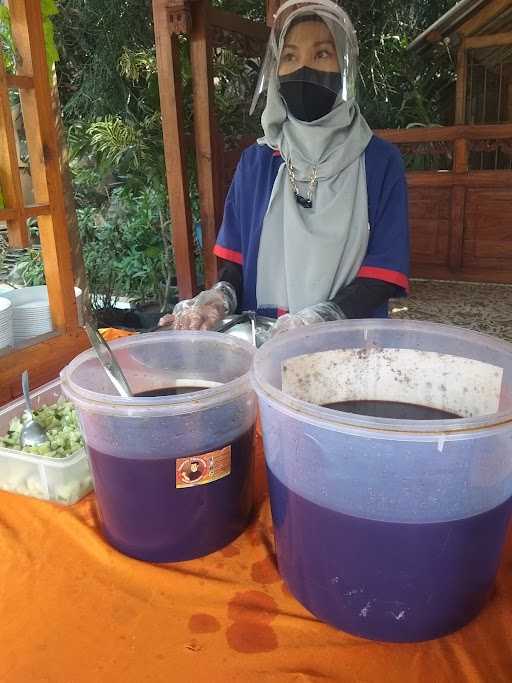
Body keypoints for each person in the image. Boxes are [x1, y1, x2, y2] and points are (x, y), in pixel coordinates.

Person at [159, 0, 409, 335]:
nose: (303, 68)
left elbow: (383, 272)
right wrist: (217, 299)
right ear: (275, 70)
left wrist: (320, 318)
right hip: (263, 340)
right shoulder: (258, 162)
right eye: (289, 56)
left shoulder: (379, 162)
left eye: (322, 54)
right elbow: (236, 263)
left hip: (348, 341)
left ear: (346, 67)